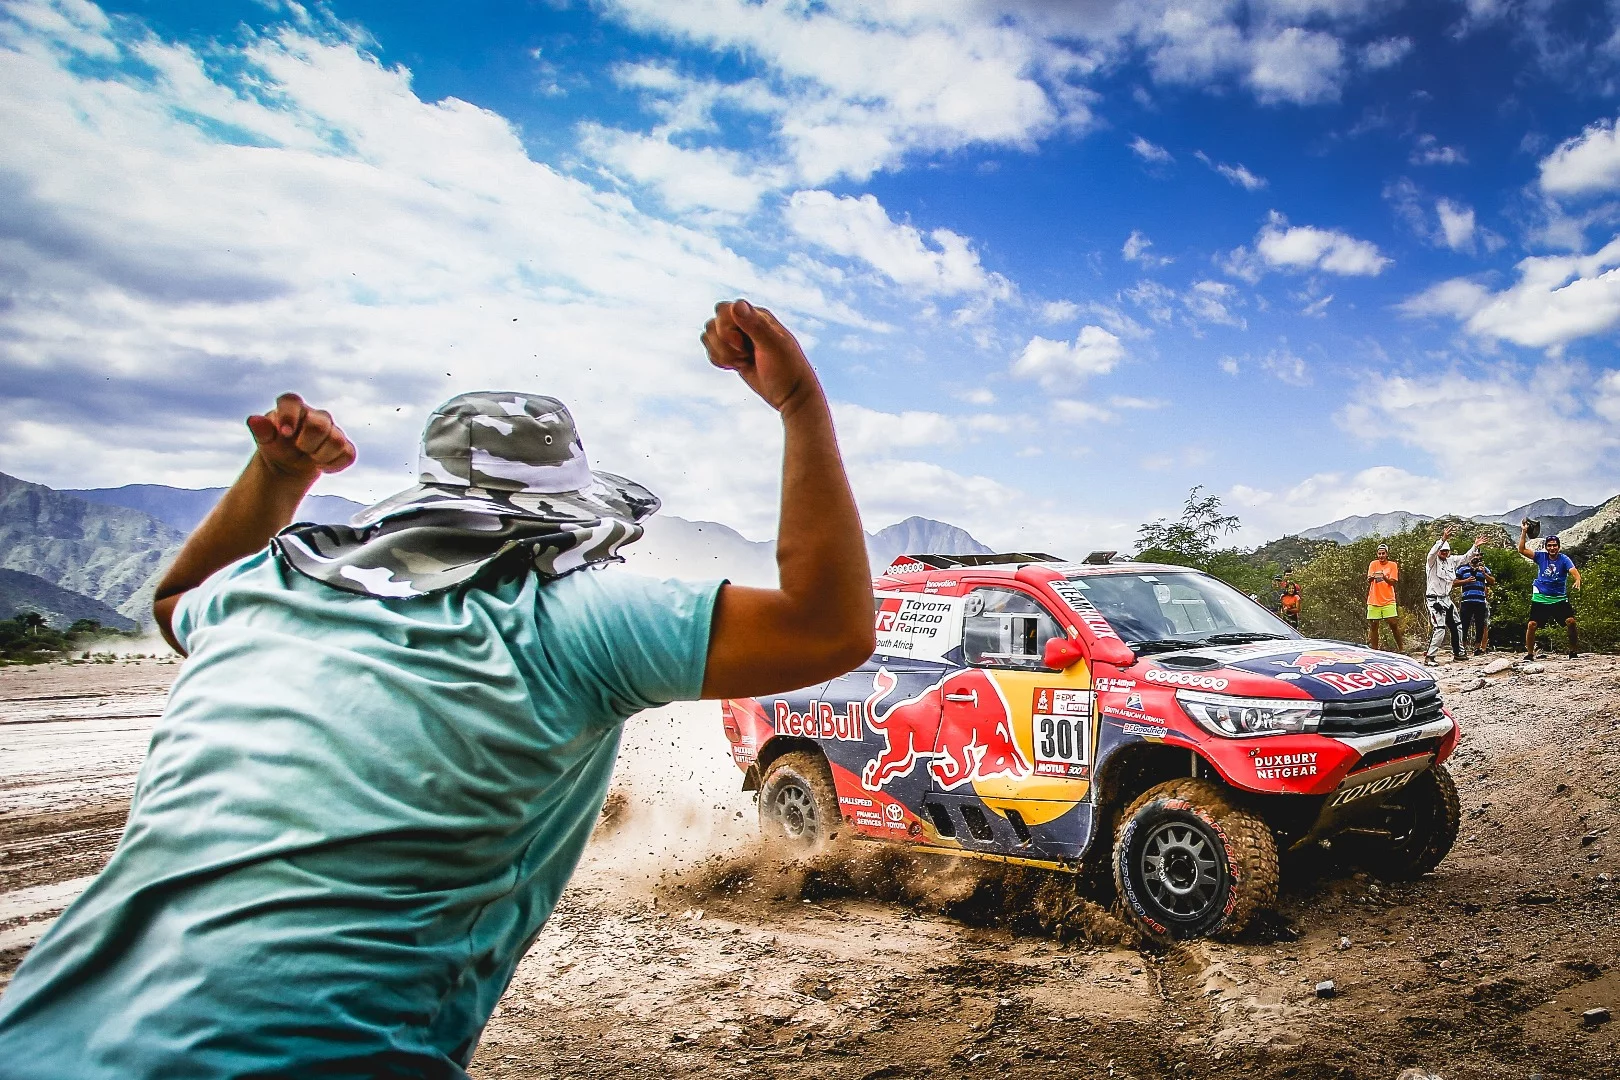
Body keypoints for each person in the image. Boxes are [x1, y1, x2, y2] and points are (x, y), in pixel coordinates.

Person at [0, 300, 877, 1078]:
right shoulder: (569, 616)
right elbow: (829, 627)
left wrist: (276, 476)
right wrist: (799, 406)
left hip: (41, 1036)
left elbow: (170, 601)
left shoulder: (262, 589)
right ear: (570, 522)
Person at [1518, 525, 1582, 660]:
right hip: (1541, 595)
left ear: (1558, 547)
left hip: (1558, 597)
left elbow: (1573, 570)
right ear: (1546, 547)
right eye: (1549, 545)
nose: (1552, 548)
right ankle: (1530, 654)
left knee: (1571, 622)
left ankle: (1573, 651)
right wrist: (1524, 531)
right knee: (1532, 624)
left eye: (1555, 545)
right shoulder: (1541, 557)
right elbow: (1521, 550)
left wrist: (1577, 579)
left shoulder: (1564, 559)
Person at [1422, 526, 1483, 665]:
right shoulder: (1432, 562)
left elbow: (1465, 558)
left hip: (1446, 598)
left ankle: (1459, 653)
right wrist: (1442, 539)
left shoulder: (1451, 560)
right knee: (1440, 627)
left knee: (1457, 624)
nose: (1443, 553)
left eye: (1446, 551)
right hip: (1434, 599)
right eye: (1442, 551)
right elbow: (1431, 554)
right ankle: (1430, 656)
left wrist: (1475, 546)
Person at [1455, 552, 1495, 656]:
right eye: (1474, 556)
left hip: (1480, 601)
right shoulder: (1462, 569)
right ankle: (1462, 648)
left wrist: (1484, 574)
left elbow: (1492, 581)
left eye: (1478, 556)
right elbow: (1454, 583)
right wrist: (1466, 581)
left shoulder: (1484, 569)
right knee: (1464, 625)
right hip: (1466, 601)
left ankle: (1478, 648)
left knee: (1480, 625)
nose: (1476, 558)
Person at [1366, 543, 1403, 651]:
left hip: (1388, 599)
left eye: (1383, 553)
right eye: (1379, 553)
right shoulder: (1373, 564)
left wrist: (1384, 577)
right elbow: (1368, 579)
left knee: (1393, 623)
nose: (1381, 556)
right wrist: (1373, 577)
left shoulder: (1392, 565)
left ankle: (1401, 648)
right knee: (1374, 625)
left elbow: (1392, 582)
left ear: (1387, 554)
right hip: (1374, 599)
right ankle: (1374, 650)